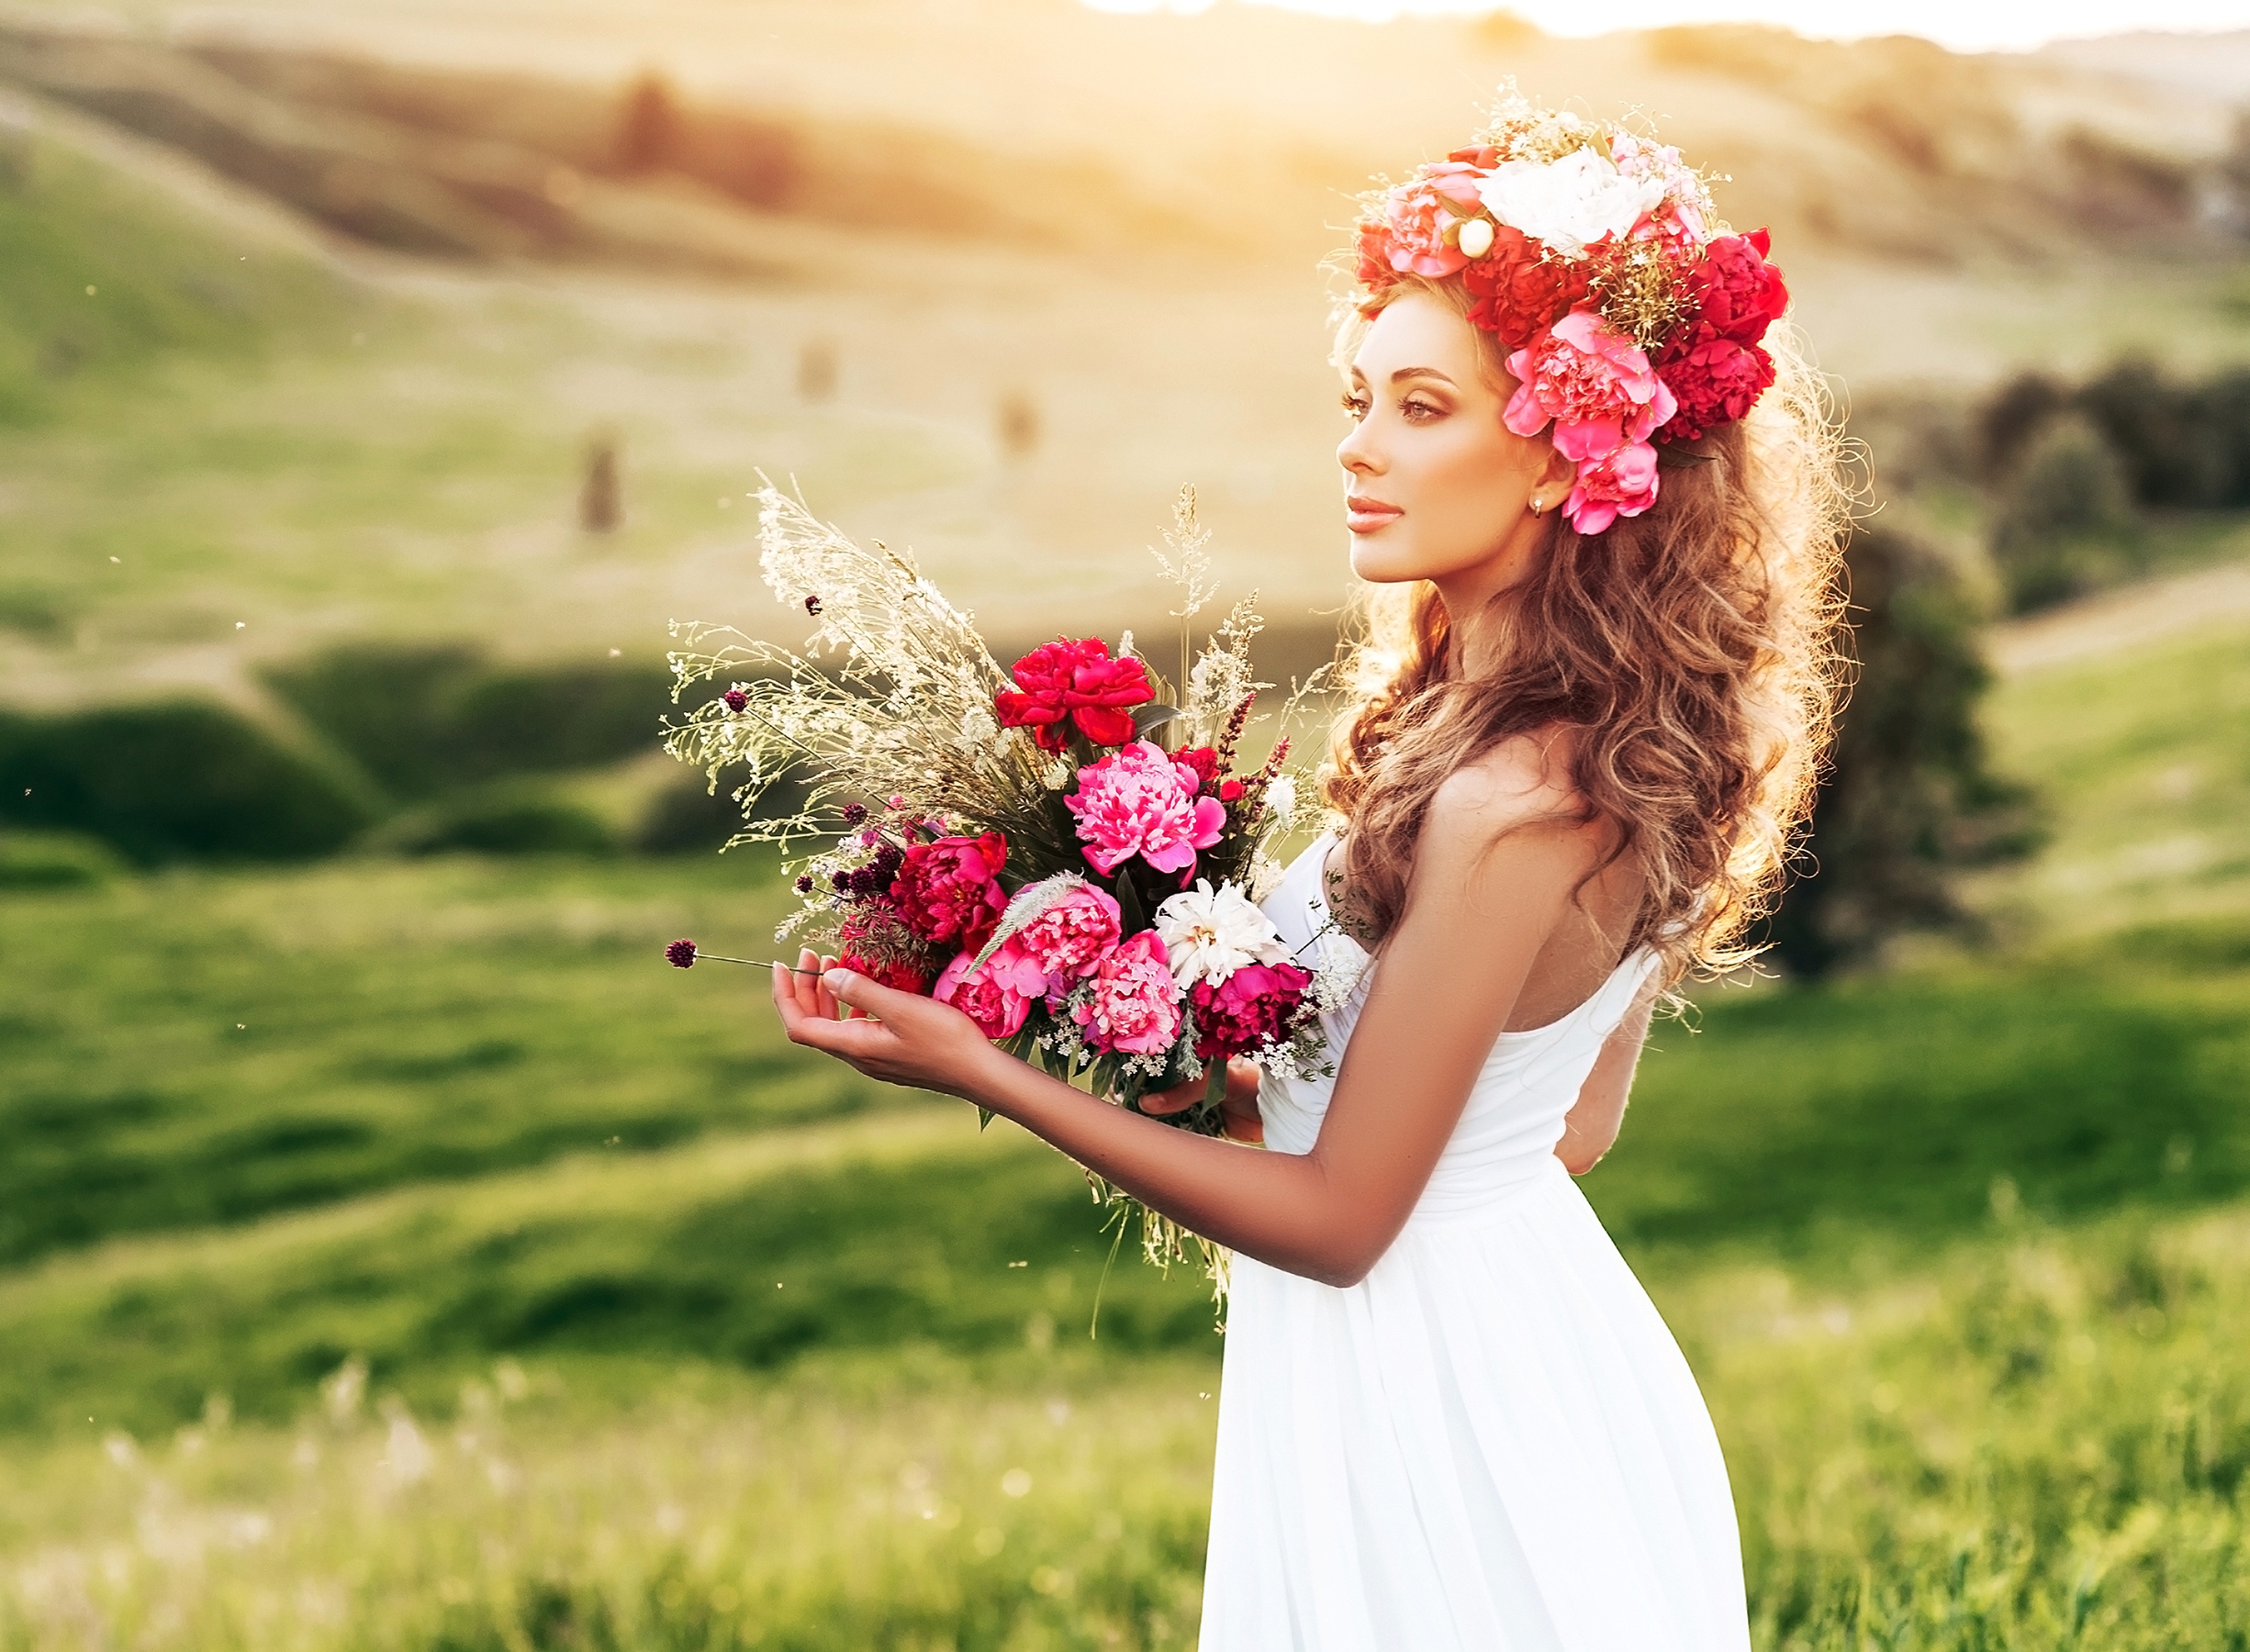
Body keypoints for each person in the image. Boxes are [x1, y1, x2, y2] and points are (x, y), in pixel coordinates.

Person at [773, 97, 1847, 1650]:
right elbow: (1563, 1127)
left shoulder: (1514, 798)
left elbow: (1345, 1221)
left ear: (1569, 455)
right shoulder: (1585, 735)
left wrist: (991, 1078)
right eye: (1355, 396)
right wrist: (1179, 1074)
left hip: (1449, 1411)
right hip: (1501, 1347)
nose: (1356, 444)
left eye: (1421, 406)